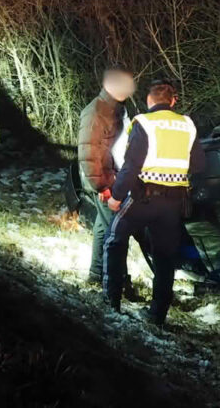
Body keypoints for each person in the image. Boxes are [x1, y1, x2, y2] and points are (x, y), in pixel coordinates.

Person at [103, 79, 199, 329]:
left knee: (115, 238)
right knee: (165, 258)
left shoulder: (144, 123)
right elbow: (200, 165)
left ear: (149, 101)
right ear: (173, 101)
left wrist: (116, 196)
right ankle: (157, 315)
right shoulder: (187, 125)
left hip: (143, 198)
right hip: (174, 203)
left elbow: (131, 165)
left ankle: (110, 300)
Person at [76, 66, 137, 285]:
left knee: (104, 228)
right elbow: (88, 153)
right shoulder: (96, 112)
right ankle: (116, 279)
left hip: (113, 178)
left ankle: (98, 274)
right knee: (116, 231)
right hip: (105, 182)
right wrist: (103, 187)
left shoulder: (117, 109)